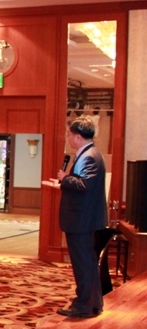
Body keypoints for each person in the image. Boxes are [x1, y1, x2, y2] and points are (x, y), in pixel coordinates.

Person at [56, 116, 108, 318]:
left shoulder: (89, 156)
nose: (68, 137)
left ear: (78, 136)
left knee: (83, 262)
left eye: (69, 134)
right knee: (86, 261)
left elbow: (84, 185)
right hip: (82, 219)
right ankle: (91, 302)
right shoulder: (89, 153)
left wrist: (65, 179)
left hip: (81, 220)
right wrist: (65, 182)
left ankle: (85, 304)